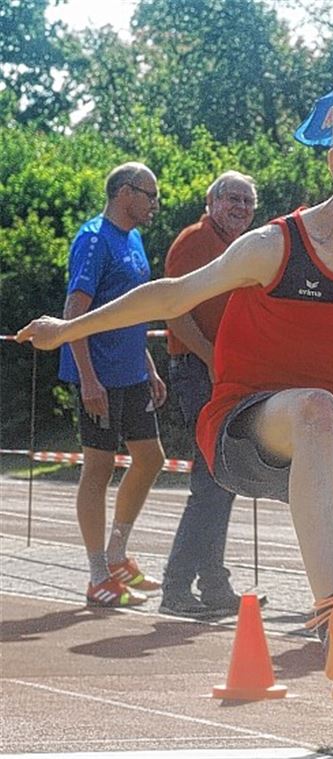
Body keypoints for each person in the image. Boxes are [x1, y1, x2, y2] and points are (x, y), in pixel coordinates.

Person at [18, 82, 333, 709]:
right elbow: (170, 296)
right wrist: (67, 329)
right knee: (317, 409)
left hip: (328, 442)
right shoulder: (276, 247)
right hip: (243, 431)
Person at [58, 162, 166, 608]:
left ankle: (118, 554)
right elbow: (74, 314)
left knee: (151, 458)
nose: (155, 204)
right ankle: (98, 574)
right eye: (150, 194)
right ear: (125, 193)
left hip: (131, 373)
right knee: (98, 469)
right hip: (99, 375)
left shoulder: (133, 239)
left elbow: (130, 313)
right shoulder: (93, 239)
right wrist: (88, 378)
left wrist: (148, 365)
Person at [159, 171, 261, 618]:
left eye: (248, 201)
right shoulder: (194, 242)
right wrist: (210, 357)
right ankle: (177, 588)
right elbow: (174, 310)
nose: (240, 207)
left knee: (222, 481)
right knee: (210, 483)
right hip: (199, 372)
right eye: (232, 198)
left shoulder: (239, 247)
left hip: (226, 375)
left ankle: (213, 583)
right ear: (211, 201)